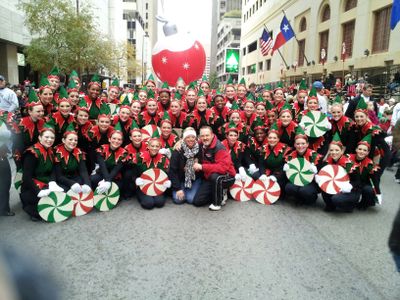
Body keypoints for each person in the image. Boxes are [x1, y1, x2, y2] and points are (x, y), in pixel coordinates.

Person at [20, 124, 64, 221]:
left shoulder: (51, 151)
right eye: (46, 137)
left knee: (62, 194)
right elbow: (26, 177)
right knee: (41, 212)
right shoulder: (31, 153)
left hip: (46, 182)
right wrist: (38, 191)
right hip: (32, 186)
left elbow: (52, 169)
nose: (49, 140)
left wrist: (52, 182)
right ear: (40, 138)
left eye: (52, 137)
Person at [192, 126, 236, 211]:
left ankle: (217, 203)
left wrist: (202, 167)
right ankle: (219, 192)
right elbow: (189, 141)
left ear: (212, 135)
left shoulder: (220, 148)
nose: (205, 138)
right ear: (200, 137)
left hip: (227, 176)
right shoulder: (200, 143)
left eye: (207, 135)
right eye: (202, 136)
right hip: (210, 175)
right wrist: (180, 142)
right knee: (197, 202)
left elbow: (222, 168)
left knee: (215, 177)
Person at [284, 127, 321, 205]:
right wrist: (286, 169)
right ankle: (298, 197)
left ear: (307, 144)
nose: (300, 146)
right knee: (289, 188)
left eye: (303, 143)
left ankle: (311, 199)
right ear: (294, 144)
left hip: (311, 182)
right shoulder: (291, 156)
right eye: (298, 144)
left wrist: (316, 172)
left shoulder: (314, 155)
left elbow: (321, 172)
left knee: (306, 191)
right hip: (296, 179)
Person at [316, 133, 353, 212]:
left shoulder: (348, 164)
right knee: (325, 186)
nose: (334, 152)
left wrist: (349, 186)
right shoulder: (326, 162)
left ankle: (348, 205)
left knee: (337, 199)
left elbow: (356, 180)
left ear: (342, 151)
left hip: (349, 189)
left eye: (337, 150)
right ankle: (330, 205)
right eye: (331, 150)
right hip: (333, 184)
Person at [134, 138, 171, 209]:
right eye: (152, 146)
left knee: (159, 203)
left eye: (157, 146)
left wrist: (167, 181)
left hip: (158, 185)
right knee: (148, 204)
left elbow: (166, 173)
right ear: (148, 146)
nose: (154, 148)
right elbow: (133, 171)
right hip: (143, 185)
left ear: (160, 147)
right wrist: (136, 179)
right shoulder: (140, 156)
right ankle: (139, 195)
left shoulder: (163, 159)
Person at [54, 124, 91, 193]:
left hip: (74, 177)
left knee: (85, 184)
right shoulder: (57, 153)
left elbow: (83, 171)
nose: (73, 142)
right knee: (64, 191)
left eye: (75, 140)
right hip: (61, 180)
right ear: (63, 140)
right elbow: (59, 176)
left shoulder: (79, 152)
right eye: (70, 139)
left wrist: (87, 184)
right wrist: (72, 184)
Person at [169, 127, 201, 204]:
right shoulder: (178, 151)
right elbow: (172, 171)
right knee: (178, 200)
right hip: (181, 179)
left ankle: (189, 190)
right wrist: (178, 188)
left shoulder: (200, 149)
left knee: (190, 199)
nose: (191, 139)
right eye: (188, 137)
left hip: (195, 179)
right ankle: (182, 189)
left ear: (196, 138)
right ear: (184, 138)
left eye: (193, 137)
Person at [0, 110, 14, 216]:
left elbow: (9, 134)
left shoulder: (3, 115)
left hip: (2, 154)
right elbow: (6, 134)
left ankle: (4, 208)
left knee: (5, 182)